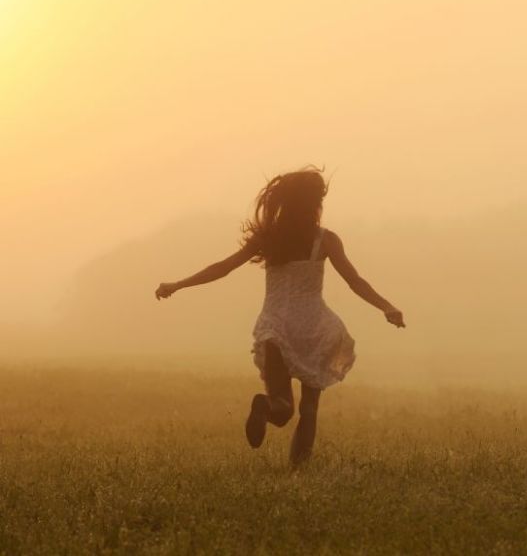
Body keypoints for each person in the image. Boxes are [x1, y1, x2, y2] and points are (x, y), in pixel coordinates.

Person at [154, 166, 404, 465]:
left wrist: (178, 284)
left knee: (282, 409)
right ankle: (297, 473)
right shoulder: (326, 240)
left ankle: (264, 406)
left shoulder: (269, 239)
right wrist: (386, 306)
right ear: (315, 203)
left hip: (276, 327)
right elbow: (355, 281)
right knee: (309, 409)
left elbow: (223, 267)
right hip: (316, 327)